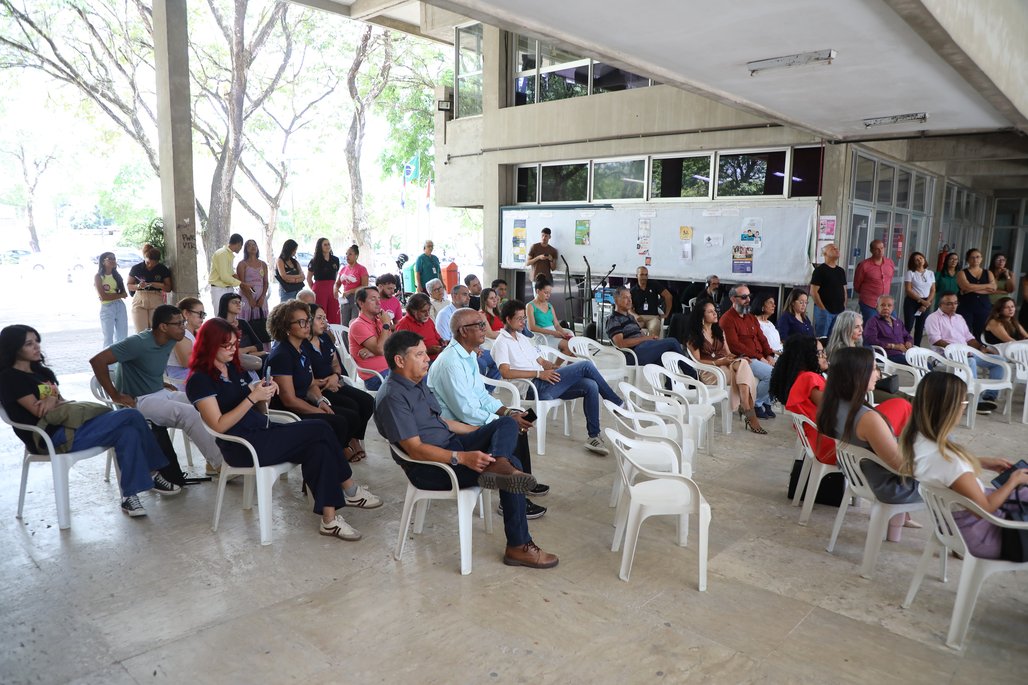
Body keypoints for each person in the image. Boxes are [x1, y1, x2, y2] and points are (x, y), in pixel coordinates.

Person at [374, 330, 557, 568]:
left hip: (451, 445)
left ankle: (500, 464)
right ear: (400, 360)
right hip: (432, 468)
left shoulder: (417, 383)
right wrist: (462, 458)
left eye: (425, 353)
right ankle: (518, 546)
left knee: (507, 422)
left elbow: (442, 422)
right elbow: (416, 450)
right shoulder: (392, 397)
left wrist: (484, 432)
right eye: (419, 355)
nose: (427, 358)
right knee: (514, 465)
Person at [187, 317, 379, 541]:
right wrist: (252, 397)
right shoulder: (199, 380)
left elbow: (258, 409)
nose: (232, 349)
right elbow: (218, 424)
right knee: (320, 428)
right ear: (209, 345)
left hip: (261, 431)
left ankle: (330, 519)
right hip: (242, 446)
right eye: (226, 345)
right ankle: (350, 489)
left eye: (234, 344)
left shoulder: (231, 367)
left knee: (319, 445)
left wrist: (264, 393)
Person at [1, 324, 179, 518]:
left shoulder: (43, 374)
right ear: (14, 348)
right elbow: (38, 412)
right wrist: (52, 400)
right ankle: (154, 471)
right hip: (49, 438)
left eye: (37, 341)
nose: (37, 346)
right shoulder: (10, 378)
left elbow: (63, 403)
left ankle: (129, 496)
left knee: (127, 432)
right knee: (132, 415)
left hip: (71, 427)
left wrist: (52, 400)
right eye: (29, 344)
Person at [428, 307, 548, 518]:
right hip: (456, 431)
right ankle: (511, 498)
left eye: (484, 324)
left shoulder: (468, 355)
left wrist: (507, 411)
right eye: (480, 325)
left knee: (519, 418)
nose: (485, 329)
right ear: (463, 331)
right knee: (511, 427)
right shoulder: (450, 363)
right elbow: (466, 411)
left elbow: (481, 396)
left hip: (468, 420)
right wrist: (505, 421)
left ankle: (522, 480)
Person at [900, 371, 1024, 559]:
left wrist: (978, 462)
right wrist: (1013, 481)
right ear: (950, 408)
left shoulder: (917, 440)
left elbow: (944, 472)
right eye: (964, 402)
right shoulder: (950, 461)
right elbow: (984, 509)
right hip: (982, 536)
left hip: (953, 526)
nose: (964, 408)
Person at [88, 304, 225, 475]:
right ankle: (220, 465)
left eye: (183, 322)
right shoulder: (138, 342)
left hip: (159, 392)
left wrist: (159, 381)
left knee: (205, 404)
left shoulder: (171, 339)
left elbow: (147, 363)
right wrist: (115, 395)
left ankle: (214, 461)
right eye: (178, 324)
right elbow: (97, 361)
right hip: (138, 400)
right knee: (191, 414)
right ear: (163, 327)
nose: (183, 327)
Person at [493, 299, 623, 455]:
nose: (523, 322)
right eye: (519, 319)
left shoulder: (522, 338)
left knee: (590, 385)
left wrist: (558, 369)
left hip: (545, 382)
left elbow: (541, 361)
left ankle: (593, 437)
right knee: (586, 365)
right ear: (508, 319)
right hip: (532, 388)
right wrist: (539, 374)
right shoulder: (501, 342)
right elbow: (505, 372)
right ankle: (617, 403)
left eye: (524, 318)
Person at [816, 347, 919, 539]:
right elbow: (902, 466)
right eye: (873, 369)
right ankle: (961, 543)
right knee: (957, 484)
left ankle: (897, 526)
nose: (878, 374)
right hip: (888, 487)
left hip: (862, 479)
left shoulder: (833, 406)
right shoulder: (867, 419)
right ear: (857, 374)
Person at [266, 301, 363, 468]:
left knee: (351, 416)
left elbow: (310, 384)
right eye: (301, 322)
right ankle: (328, 465)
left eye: (307, 320)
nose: (307, 325)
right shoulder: (282, 355)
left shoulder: (301, 349)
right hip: (287, 411)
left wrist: (321, 401)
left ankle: (331, 460)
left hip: (304, 402)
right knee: (338, 422)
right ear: (286, 327)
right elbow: (289, 400)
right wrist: (317, 410)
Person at [307, 303, 376, 462]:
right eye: (319, 318)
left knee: (367, 401)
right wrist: (325, 382)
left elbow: (336, 364)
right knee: (351, 406)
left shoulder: (325, 338)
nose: (324, 322)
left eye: (324, 318)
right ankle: (343, 444)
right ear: (308, 321)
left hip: (335, 382)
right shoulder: (302, 345)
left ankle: (354, 438)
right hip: (318, 390)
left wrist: (335, 376)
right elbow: (305, 378)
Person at [685, 301, 764, 434]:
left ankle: (745, 406)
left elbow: (728, 354)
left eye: (714, 310)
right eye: (710, 311)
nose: (715, 313)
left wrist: (738, 358)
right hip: (709, 371)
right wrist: (718, 363)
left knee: (743, 363)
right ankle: (749, 411)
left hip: (725, 366)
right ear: (701, 315)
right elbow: (697, 362)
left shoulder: (719, 331)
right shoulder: (694, 336)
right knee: (741, 375)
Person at [924, 292, 1003, 414]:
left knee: (998, 361)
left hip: (966, 353)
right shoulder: (933, 318)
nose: (953, 306)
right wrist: (958, 351)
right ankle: (975, 400)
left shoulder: (959, 318)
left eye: (955, 303)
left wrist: (981, 347)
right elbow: (935, 340)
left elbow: (969, 338)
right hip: (945, 356)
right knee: (970, 361)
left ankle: (989, 396)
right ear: (940, 304)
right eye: (949, 304)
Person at [769, 334, 833, 462]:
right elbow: (834, 408)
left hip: (819, 440)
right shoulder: (809, 378)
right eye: (820, 353)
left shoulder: (801, 376)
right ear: (807, 355)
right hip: (831, 444)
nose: (825, 356)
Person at [719, 285, 776, 418]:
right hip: (744, 359)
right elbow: (734, 346)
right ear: (733, 299)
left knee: (783, 370)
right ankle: (754, 404)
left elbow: (762, 338)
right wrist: (760, 357)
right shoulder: (727, 319)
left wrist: (769, 355)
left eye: (749, 296)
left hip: (759, 356)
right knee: (772, 374)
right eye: (744, 297)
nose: (748, 300)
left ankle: (765, 401)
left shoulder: (750, 317)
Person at [606, 287, 688, 367]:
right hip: (633, 354)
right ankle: (692, 372)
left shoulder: (630, 317)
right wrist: (646, 338)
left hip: (643, 349)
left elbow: (640, 334)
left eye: (630, 297)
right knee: (672, 342)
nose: (630, 300)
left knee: (668, 357)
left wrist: (652, 340)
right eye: (625, 297)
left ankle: (678, 375)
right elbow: (621, 344)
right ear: (616, 300)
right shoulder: (613, 319)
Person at [348, 286, 392, 390]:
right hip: (376, 376)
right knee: (414, 382)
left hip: (391, 369)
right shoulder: (358, 325)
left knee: (421, 376)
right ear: (361, 303)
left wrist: (373, 352)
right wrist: (386, 324)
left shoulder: (379, 321)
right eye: (373, 299)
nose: (378, 302)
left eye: (379, 298)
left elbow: (394, 344)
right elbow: (381, 349)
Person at [127, 246, 173, 333]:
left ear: (158, 261)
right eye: (148, 262)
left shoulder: (162, 269)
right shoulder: (136, 268)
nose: (150, 265)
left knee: (156, 330)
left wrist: (155, 284)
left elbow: (168, 288)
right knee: (141, 332)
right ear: (145, 257)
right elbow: (129, 285)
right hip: (140, 298)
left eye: (153, 263)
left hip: (156, 297)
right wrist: (138, 286)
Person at [218, 292, 267, 371]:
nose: (238, 305)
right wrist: (249, 351)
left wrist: (245, 351)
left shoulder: (242, 323)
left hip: (248, 357)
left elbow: (259, 345)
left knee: (266, 358)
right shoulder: (218, 325)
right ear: (225, 304)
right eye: (234, 302)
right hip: (230, 360)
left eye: (239, 302)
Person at [166, 297, 205, 391]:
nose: (203, 318)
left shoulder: (189, 333)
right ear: (186, 313)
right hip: (184, 381)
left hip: (191, 378)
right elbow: (187, 363)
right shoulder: (181, 334)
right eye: (200, 314)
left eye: (204, 314)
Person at [526, 277, 573, 354]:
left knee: (574, 347)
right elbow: (532, 327)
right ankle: (556, 362)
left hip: (553, 335)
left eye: (549, 293)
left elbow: (557, 325)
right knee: (568, 347)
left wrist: (564, 333)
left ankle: (560, 362)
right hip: (543, 337)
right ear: (538, 291)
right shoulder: (530, 306)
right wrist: (553, 333)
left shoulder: (550, 306)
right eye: (546, 293)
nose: (548, 295)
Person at [853, 239, 895, 324]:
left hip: (885, 303)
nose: (880, 251)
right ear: (871, 250)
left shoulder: (890, 263)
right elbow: (857, 285)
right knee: (871, 326)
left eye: (882, 248)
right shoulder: (864, 265)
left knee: (892, 323)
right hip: (869, 303)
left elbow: (889, 279)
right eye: (877, 249)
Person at [956, 248, 996, 338]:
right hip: (966, 306)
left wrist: (971, 288)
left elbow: (993, 288)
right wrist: (987, 286)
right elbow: (966, 287)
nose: (975, 259)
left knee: (980, 333)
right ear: (968, 259)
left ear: (981, 258)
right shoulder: (962, 273)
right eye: (972, 257)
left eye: (978, 257)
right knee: (964, 333)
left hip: (984, 307)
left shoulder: (988, 273)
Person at [810, 243, 847, 338]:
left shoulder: (840, 271)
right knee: (822, 337)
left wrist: (844, 305)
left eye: (837, 248)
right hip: (825, 311)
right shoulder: (820, 270)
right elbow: (813, 292)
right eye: (832, 248)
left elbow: (844, 290)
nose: (836, 250)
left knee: (835, 338)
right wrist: (822, 308)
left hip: (839, 310)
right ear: (825, 253)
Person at [862, 295, 912, 364]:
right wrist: (894, 346)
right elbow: (871, 340)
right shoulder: (873, 322)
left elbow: (907, 336)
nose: (886, 308)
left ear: (893, 308)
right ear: (877, 307)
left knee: (923, 362)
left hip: (904, 353)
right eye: (882, 305)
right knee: (917, 364)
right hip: (887, 355)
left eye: (889, 305)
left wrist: (909, 342)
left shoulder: (898, 322)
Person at [395, 293, 444, 360]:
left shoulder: (428, 320)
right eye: (423, 311)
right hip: (421, 362)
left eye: (428, 310)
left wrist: (442, 341)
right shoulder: (403, 325)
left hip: (438, 357)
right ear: (413, 311)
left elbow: (436, 335)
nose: (427, 314)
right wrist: (426, 351)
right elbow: (404, 351)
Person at [94, 251, 128, 347]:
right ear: (103, 262)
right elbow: (104, 297)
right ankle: (107, 357)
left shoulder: (117, 276)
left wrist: (112, 295)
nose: (113, 260)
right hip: (107, 307)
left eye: (114, 258)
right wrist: (118, 295)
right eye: (110, 258)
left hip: (120, 306)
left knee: (122, 336)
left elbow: (124, 294)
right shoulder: (98, 277)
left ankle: (120, 356)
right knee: (108, 337)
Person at [235, 239, 269, 333]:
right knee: (247, 319)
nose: (252, 247)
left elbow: (266, 282)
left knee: (261, 320)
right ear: (245, 249)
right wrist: (250, 298)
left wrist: (262, 297)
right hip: (246, 296)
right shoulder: (242, 264)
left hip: (261, 296)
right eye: (249, 245)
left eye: (254, 244)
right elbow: (241, 284)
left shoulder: (263, 264)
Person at [902, 251, 935, 346]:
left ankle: (917, 347)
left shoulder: (930, 273)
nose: (919, 260)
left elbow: (933, 290)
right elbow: (908, 290)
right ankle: (904, 346)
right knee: (908, 326)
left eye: (920, 258)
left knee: (920, 327)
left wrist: (926, 303)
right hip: (912, 301)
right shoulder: (910, 273)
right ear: (913, 262)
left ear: (924, 259)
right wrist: (921, 301)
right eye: (916, 260)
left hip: (926, 302)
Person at [306, 238, 341, 325]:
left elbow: (336, 275)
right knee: (320, 313)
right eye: (325, 244)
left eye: (328, 244)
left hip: (332, 289)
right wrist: (315, 290)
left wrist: (335, 288)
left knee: (334, 313)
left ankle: (333, 333)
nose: (327, 246)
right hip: (319, 289)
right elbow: (309, 278)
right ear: (320, 247)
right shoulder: (314, 261)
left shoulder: (335, 260)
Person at [631, 266, 673, 337]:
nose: (644, 277)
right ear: (636, 276)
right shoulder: (633, 290)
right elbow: (629, 308)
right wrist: (635, 315)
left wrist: (666, 313)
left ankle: (651, 344)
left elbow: (668, 296)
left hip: (653, 317)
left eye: (646, 275)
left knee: (654, 328)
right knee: (632, 329)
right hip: (639, 317)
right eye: (641, 274)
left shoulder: (654, 284)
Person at [334, 244, 368, 328]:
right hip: (345, 299)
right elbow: (337, 283)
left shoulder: (362, 269)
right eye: (346, 254)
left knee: (354, 324)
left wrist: (350, 291)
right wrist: (335, 289)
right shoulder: (343, 269)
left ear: (356, 256)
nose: (347, 256)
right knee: (344, 324)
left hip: (357, 299)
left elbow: (365, 286)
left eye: (350, 254)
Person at [208, 233, 243, 311]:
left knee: (231, 314)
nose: (241, 249)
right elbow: (224, 277)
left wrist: (236, 276)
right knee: (220, 314)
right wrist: (241, 284)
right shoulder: (222, 253)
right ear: (239, 244)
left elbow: (230, 272)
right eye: (241, 246)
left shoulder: (229, 254)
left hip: (228, 288)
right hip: (219, 289)